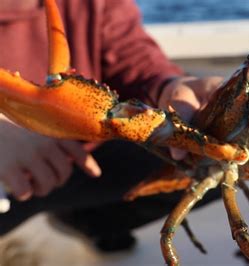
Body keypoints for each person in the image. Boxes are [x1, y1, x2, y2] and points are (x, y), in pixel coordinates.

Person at [0, 0, 222, 251]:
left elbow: (133, 60)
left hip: (82, 167)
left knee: (212, 154)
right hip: (8, 189)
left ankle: (91, 220)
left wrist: (169, 88)